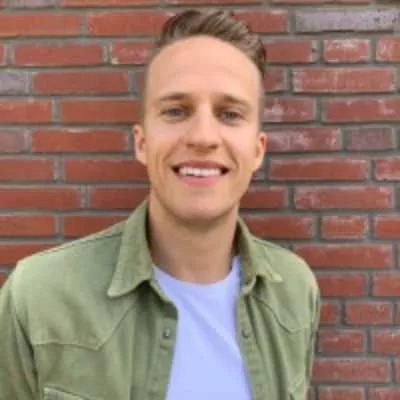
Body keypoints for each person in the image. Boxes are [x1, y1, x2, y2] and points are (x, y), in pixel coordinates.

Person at [0, 9, 320, 400]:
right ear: (142, 142)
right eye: (176, 111)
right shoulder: (39, 297)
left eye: (230, 114)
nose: (203, 137)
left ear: (257, 150)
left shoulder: (295, 291)